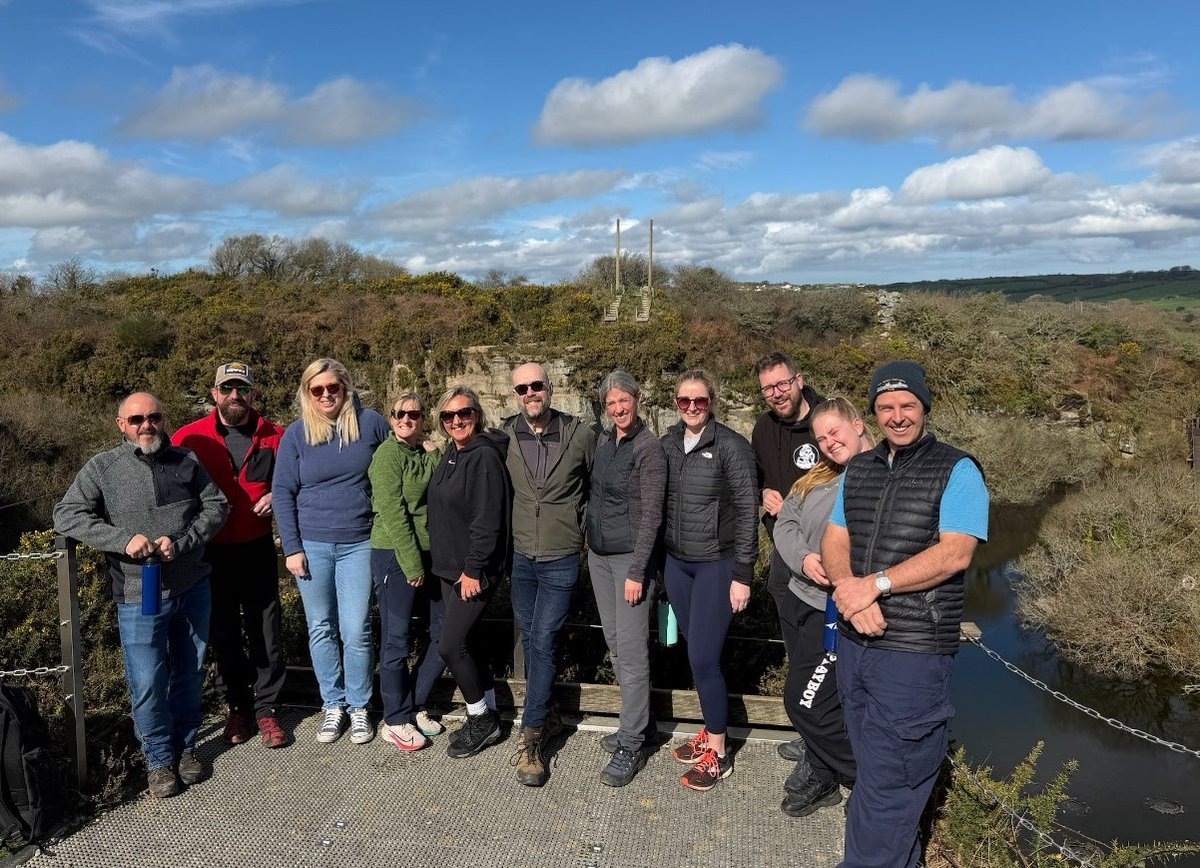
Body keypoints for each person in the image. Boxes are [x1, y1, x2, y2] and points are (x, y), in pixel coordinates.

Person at [822, 361, 989, 868]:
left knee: (892, 785)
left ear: (924, 407)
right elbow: (835, 539)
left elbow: (956, 553)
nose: (897, 416)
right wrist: (849, 591)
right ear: (873, 413)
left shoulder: (958, 470)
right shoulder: (860, 469)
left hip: (913, 655)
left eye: (907, 405)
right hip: (856, 646)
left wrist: (873, 586)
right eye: (886, 406)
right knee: (873, 777)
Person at [54, 392, 228, 798]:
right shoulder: (102, 467)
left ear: (163, 420)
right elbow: (66, 514)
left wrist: (181, 542)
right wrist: (122, 540)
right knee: (147, 681)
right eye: (136, 420)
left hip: (192, 587)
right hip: (137, 593)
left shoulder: (186, 460)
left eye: (154, 417)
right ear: (121, 425)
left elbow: (216, 506)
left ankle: (186, 750)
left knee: (189, 673)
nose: (146, 425)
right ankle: (159, 762)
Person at [272, 358, 391, 746]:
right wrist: (292, 547)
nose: (326, 395)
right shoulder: (296, 434)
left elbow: (396, 461)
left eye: (332, 388)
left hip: (359, 541)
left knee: (356, 629)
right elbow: (282, 493)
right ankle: (332, 704)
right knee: (321, 627)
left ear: (346, 388)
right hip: (312, 545)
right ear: (307, 393)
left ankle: (359, 706)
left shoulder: (370, 423)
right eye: (317, 389)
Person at [173, 362, 290, 750]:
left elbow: (296, 482)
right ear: (215, 393)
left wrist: (276, 494)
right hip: (211, 550)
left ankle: (267, 708)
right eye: (227, 389)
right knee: (222, 631)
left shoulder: (276, 436)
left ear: (253, 393)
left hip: (257, 546)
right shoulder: (189, 437)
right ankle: (238, 707)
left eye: (241, 388)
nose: (234, 396)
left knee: (266, 629)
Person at [772, 398, 872, 817]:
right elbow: (785, 523)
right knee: (816, 697)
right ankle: (821, 767)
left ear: (858, 424)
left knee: (804, 701)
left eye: (835, 432)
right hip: (800, 598)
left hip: (834, 612)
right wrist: (805, 559)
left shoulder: (879, 477)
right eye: (821, 438)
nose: (829, 443)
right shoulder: (820, 474)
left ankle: (870, 784)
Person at [660, 370, 758, 792]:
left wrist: (743, 574)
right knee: (696, 652)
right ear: (676, 403)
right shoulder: (668, 443)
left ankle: (719, 752)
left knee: (703, 657)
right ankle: (710, 729)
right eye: (684, 401)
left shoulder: (731, 446)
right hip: (677, 564)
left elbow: (748, 510)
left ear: (711, 402)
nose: (692, 408)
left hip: (716, 565)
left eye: (700, 400)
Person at [501, 362, 595, 787]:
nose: (530, 393)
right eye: (522, 388)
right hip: (521, 557)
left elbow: (598, 487)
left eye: (536, 385)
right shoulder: (505, 435)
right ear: (515, 395)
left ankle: (531, 737)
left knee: (542, 639)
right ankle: (551, 713)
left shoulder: (580, 434)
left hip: (561, 557)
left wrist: (584, 532)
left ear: (549, 387)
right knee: (532, 638)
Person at [587, 370, 667, 787]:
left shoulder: (648, 449)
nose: (618, 408)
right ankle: (641, 724)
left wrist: (638, 570)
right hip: (599, 558)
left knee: (632, 653)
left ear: (637, 399)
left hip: (629, 562)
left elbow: (652, 515)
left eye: (624, 400)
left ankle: (631, 743)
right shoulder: (606, 442)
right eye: (611, 403)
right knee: (616, 645)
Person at [427, 385, 513, 759]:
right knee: (471, 643)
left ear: (477, 415)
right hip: (451, 569)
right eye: (448, 415)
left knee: (450, 645)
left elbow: (487, 520)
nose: (457, 420)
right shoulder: (454, 452)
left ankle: (481, 719)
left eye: (464, 413)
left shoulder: (484, 458)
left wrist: (474, 568)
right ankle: (489, 712)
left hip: (473, 571)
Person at [750, 352, 824, 763]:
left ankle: (822, 733)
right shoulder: (764, 428)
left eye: (782, 384)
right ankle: (809, 726)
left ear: (799, 380)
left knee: (824, 642)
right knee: (796, 634)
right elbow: (757, 476)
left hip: (824, 552)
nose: (777, 394)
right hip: (785, 548)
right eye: (768, 388)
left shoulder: (825, 421)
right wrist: (763, 492)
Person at [368, 392, 446, 752]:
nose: (406, 419)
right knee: (396, 639)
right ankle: (395, 719)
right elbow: (393, 514)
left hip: (430, 553)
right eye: (399, 414)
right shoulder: (387, 456)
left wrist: (434, 453)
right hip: (394, 554)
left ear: (422, 418)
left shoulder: (424, 453)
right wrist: (411, 563)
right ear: (391, 417)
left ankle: (415, 702)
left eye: (413, 414)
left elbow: (443, 486)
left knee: (444, 631)